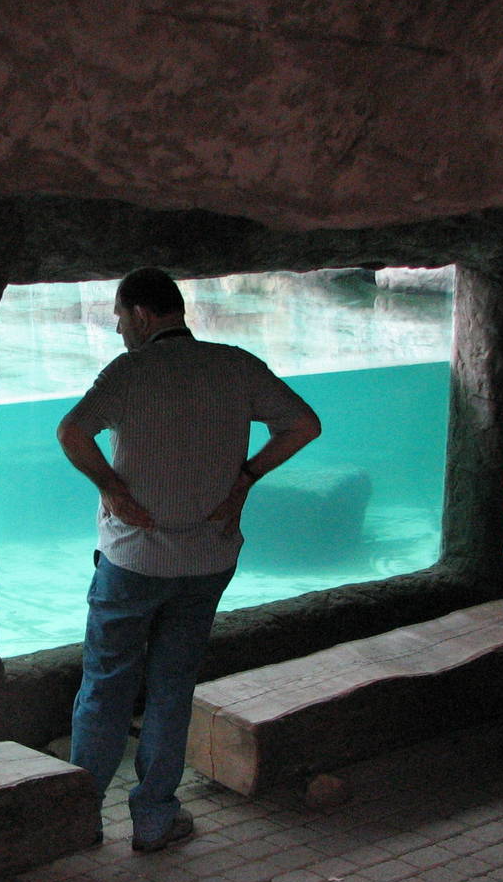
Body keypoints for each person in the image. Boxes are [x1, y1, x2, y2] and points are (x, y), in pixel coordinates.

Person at [57, 268, 321, 851]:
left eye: (121, 318)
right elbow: (304, 424)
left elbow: (73, 431)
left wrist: (109, 487)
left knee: (105, 685)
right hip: (206, 558)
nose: (120, 329)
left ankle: (80, 818)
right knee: (172, 687)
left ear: (143, 315)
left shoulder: (130, 371)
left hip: (132, 561)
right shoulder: (235, 365)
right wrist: (246, 477)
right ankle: (154, 817)